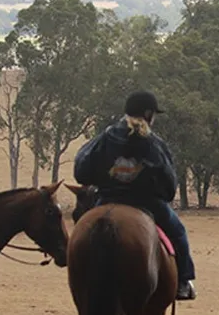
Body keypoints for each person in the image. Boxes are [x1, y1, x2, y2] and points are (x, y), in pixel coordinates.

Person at [74, 91, 197, 301]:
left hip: (107, 200)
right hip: (147, 204)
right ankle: (184, 282)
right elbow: (169, 183)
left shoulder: (106, 136)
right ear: (148, 114)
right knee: (178, 232)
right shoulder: (153, 143)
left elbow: (81, 170)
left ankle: (78, 277)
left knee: (82, 230)